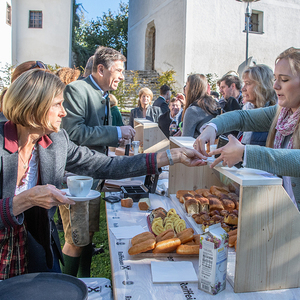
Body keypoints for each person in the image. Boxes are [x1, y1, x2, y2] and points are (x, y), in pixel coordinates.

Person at [0, 69, 206, 280]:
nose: (64, 113)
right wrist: (24, 201)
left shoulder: (56, 142)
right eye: (57, 105)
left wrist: (172, 155)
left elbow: (106, 165)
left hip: (36, 248)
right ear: (33, 105)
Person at [194, 47, 300, 210]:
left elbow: (295, 160)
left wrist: (245, 153)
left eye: (284, 79)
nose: (276, 86)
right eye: (275, 79)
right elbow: (243, 117)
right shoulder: (282, 112)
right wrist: (212, 127)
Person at [60, 46, 135, 278]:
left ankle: (84, 282)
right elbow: (73, 133)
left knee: (88, 234)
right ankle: (66, 289)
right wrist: (116, 132)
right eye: (119, 70)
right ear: (100, 69)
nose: (122, 76)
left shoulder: (101, 94)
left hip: (93, 176)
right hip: (76, 178)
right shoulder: (76, 90)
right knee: (76, 238)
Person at [237, 64, 277, 146]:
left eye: (248, 83)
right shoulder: (247, 109)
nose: (243, 89)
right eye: (243, 84)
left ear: (262, 85)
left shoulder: (275, 115)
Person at [181, 74, 220, 139]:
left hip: (200, 148)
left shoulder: (193, 110)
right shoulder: (213, 104)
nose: (185, 87)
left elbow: (186, 140)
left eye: (187, 84)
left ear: (192, 88)